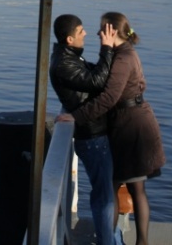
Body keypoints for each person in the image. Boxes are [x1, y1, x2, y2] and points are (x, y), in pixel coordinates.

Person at [58, 12, 166, 245]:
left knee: (123, 187)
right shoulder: (123, 53)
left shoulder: (123, 58)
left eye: (101, 29)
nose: (97, 33)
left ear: (111, 31)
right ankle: (117, 239)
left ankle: (121, 240)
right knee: (127, 187)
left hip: (132, 128)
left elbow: (108, 97)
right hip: (129, 123)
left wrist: (75, 116)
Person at [49, 14, 121, 245]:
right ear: (70, 39)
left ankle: (108, 237)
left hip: (95, 134)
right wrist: (107, 48)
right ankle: (106, 241)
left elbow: (94, 74)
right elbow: (97, 81)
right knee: (104, 196)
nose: (86, 33)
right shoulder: (64, 64)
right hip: (92, 137)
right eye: (81, 31)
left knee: (105, 192)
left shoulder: (70, 57)